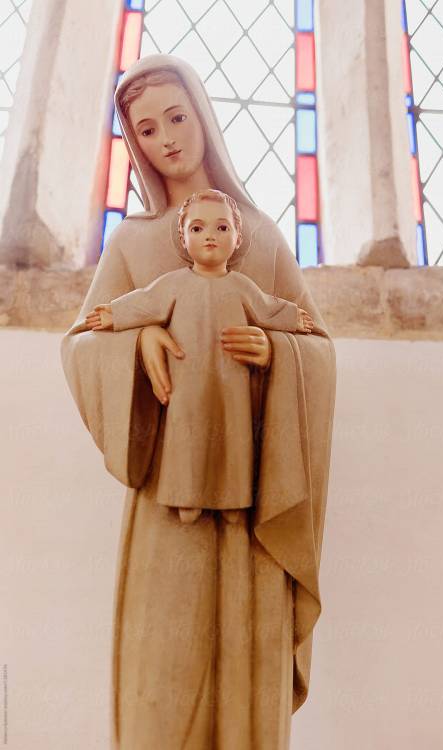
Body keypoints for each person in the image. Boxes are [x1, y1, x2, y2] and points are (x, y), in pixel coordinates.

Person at [60, 53, 336, 750]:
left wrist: (277, 355)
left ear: (203, 118)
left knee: (243, 679)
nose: (168, 139)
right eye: (147, 130)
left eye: (177, 117)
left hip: (250, 502)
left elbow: (316, 343)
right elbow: (80, 343)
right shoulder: (133, 242)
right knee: (163, 677)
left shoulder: (261, 236)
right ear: (138, 147)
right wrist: (138, 342)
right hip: (167, 503)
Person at [84, 188, 315, 524]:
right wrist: (114, 314)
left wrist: (294, 318)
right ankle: (185, 496)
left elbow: (268, 308)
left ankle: (234, 498)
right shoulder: (174, 284)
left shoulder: (242, 287)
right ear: (183, 236)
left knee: (234, 437)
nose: (210, 236)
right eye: (198, 228)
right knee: (186, 437)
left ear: (237, 239)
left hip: (232, 380)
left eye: (222, 228)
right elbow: (144, 302)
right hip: (186, 381)